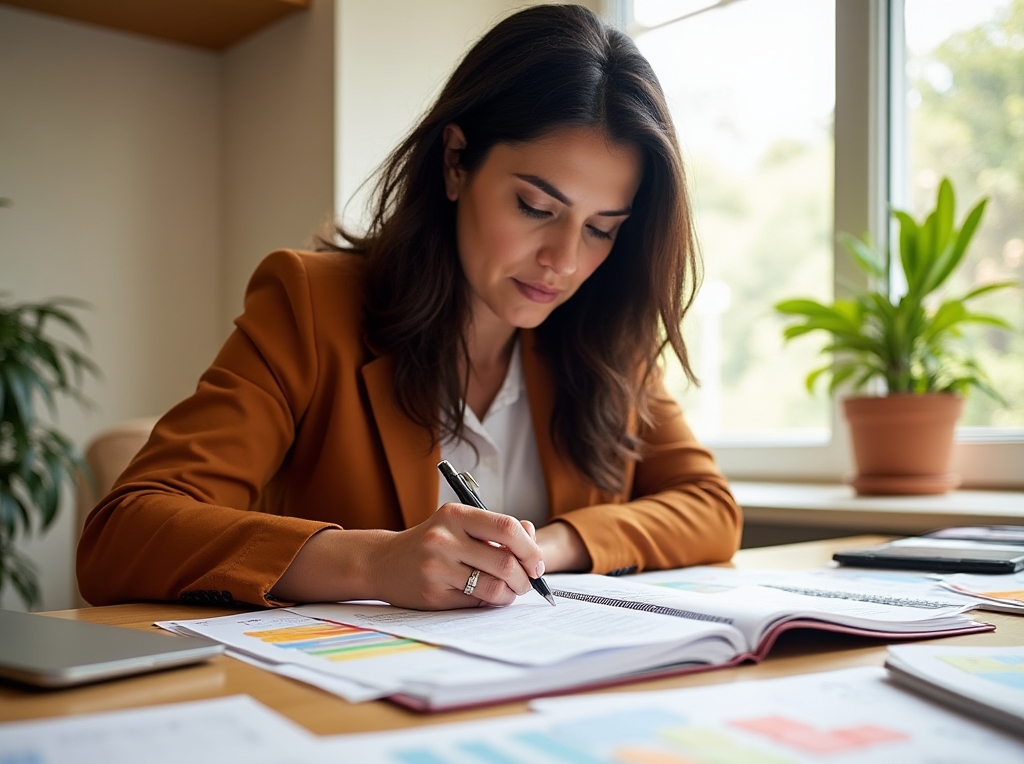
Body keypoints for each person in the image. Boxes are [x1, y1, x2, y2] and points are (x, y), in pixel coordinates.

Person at [77, 4, 742, 612]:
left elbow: (711, 508)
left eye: (602, 228)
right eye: (537, 208)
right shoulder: (311, 303)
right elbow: (123, 532)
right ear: (456, 162)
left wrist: (552, 545)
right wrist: (372, 562)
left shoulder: (604, 336)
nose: (564, 261)